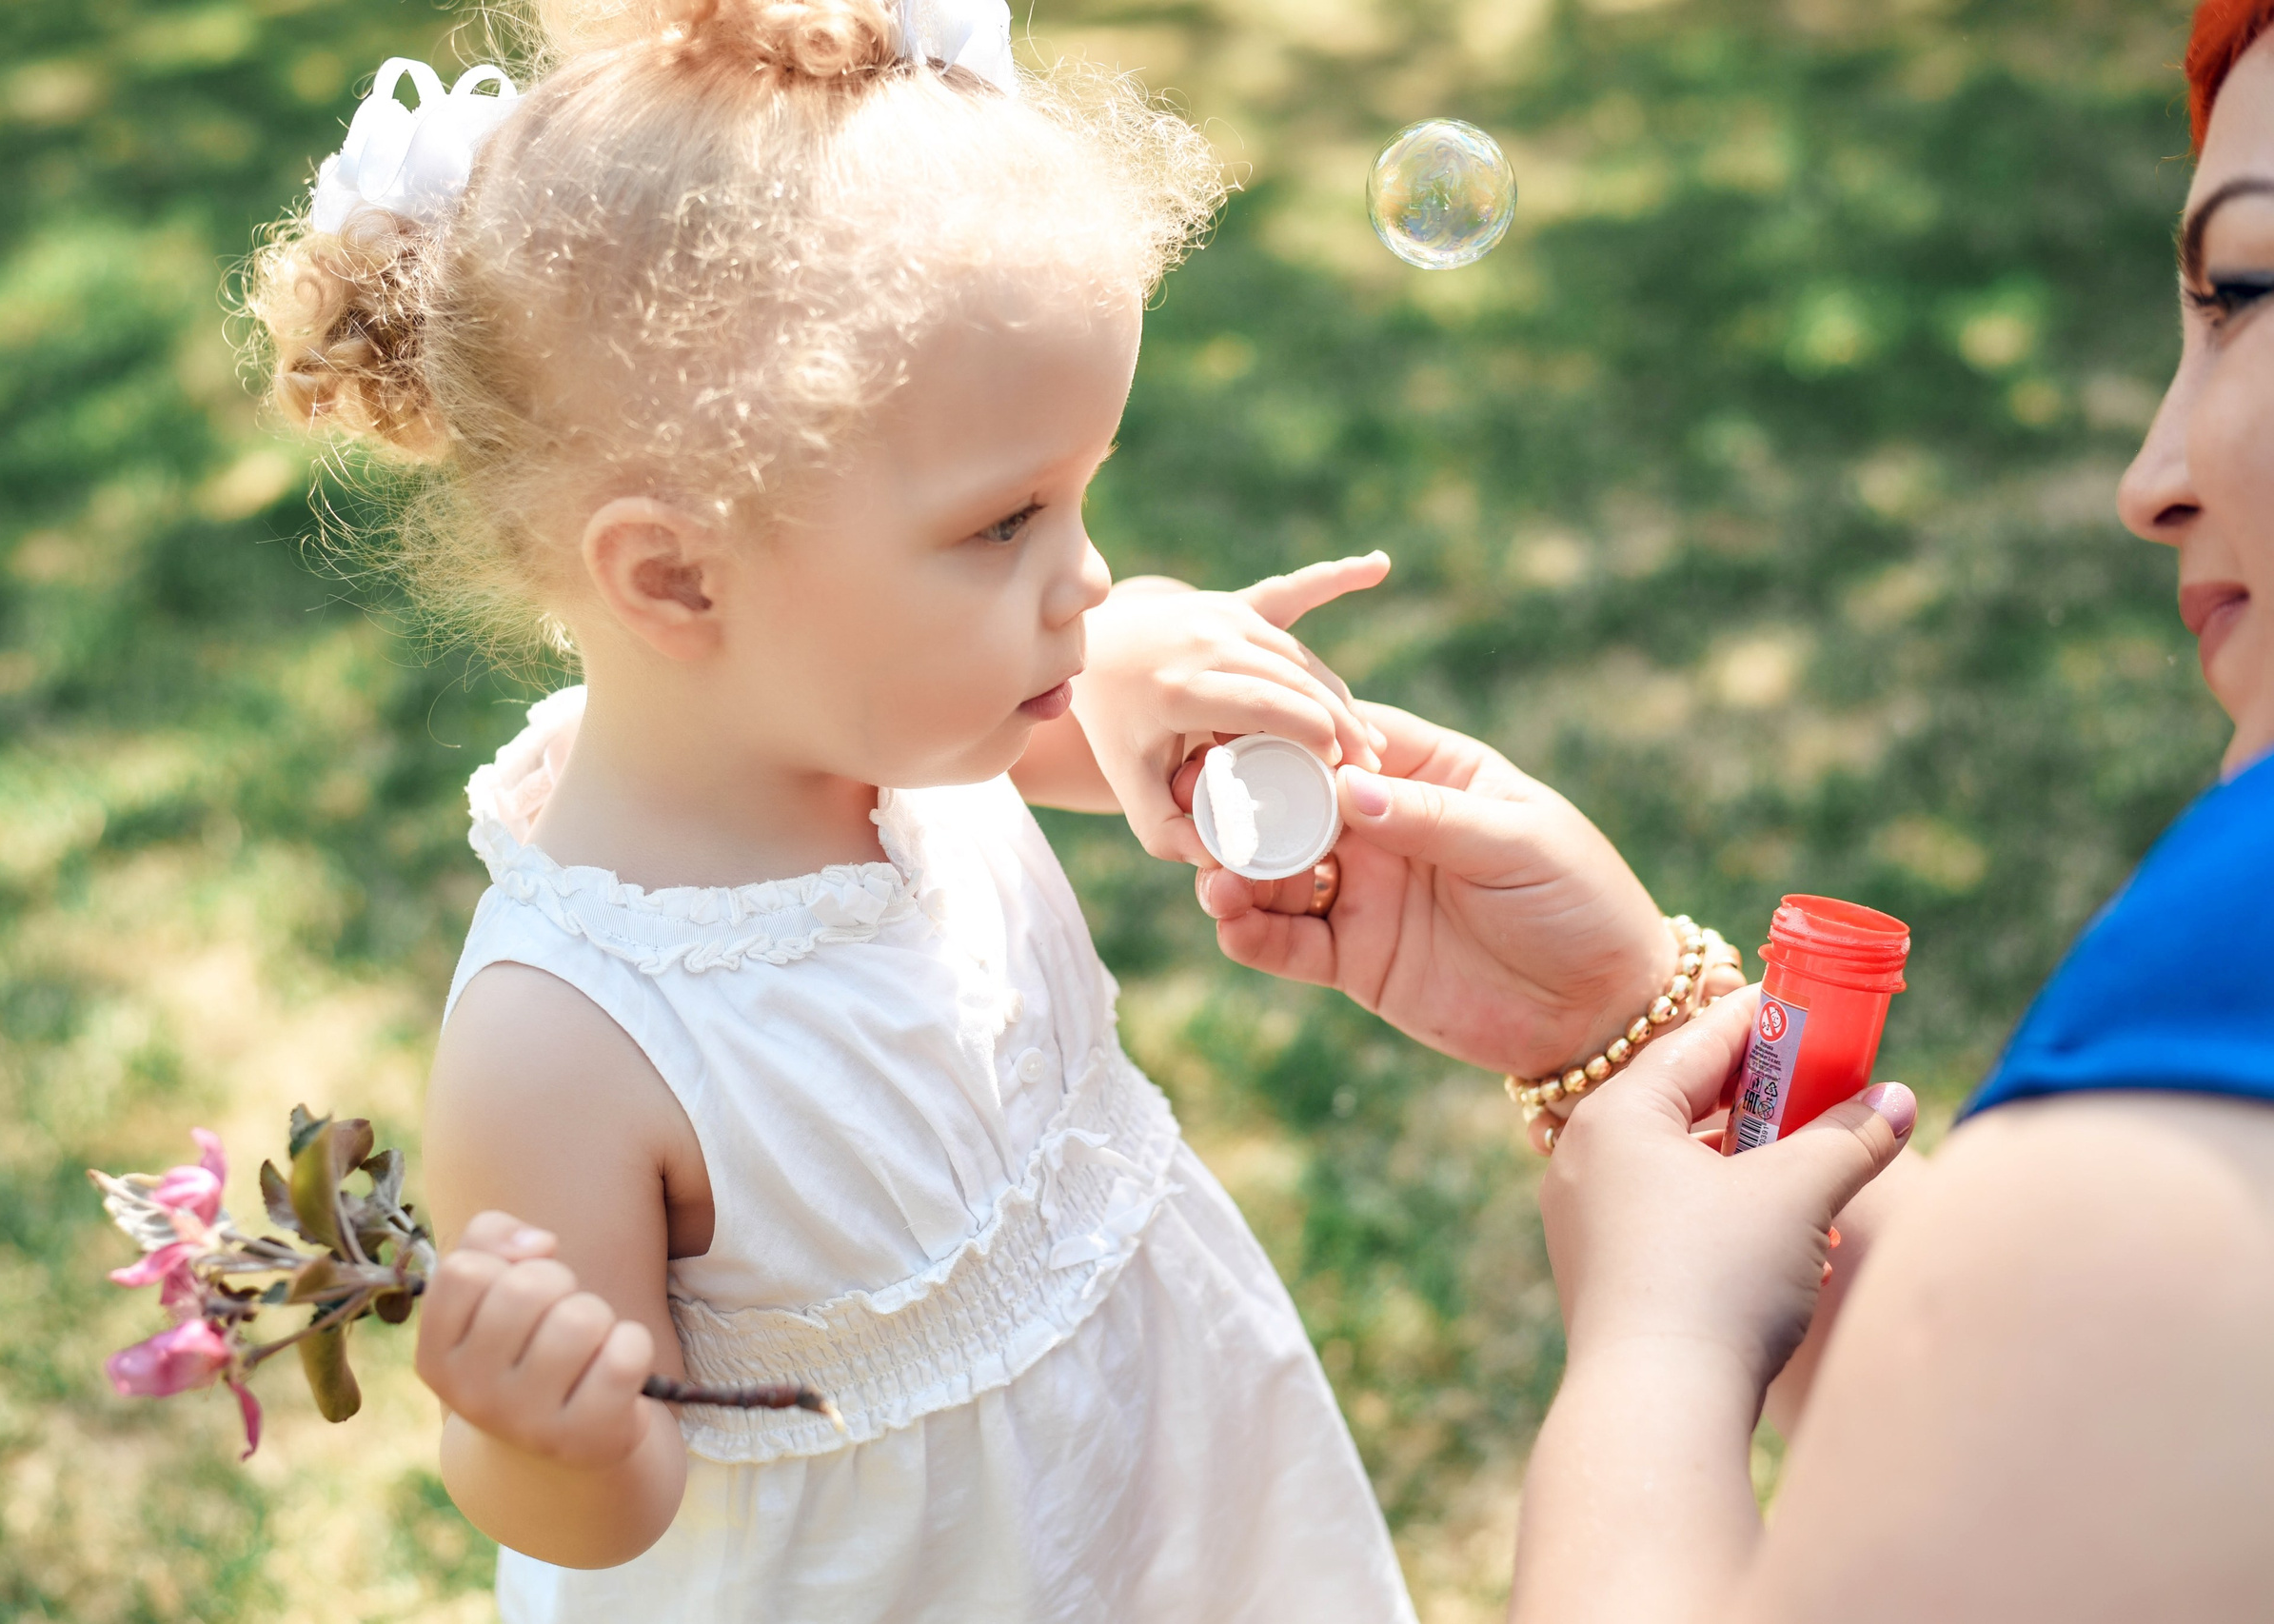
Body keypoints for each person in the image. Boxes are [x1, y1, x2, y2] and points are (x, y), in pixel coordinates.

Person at [241, 4, 1419, 1620]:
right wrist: (538, 1429)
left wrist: (1141, 676)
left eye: (1081, 496)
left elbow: (1075, 709)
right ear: (676, 574)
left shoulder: (897, 729)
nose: (1083, 576)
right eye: (1007, 522)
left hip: (1155, 1506)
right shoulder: (568, 1039)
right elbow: (600, 1514)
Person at [1203, 5, 2274, 1617]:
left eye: (2248, 290)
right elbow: (2023, 1460)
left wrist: (1655, 1349)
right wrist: (1625, 1015)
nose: (2148, 475)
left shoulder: (2215, 1054)